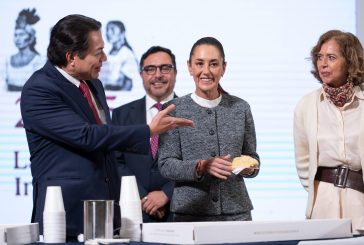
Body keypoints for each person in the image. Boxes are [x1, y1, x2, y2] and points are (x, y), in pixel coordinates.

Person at [20, 14, 193, 240]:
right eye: (98, 51)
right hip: (66, 218)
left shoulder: (93, 84)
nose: (105, 57)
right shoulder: (39, 89)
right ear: (72, 57)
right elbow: (87, 136)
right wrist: (148, 130)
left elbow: (108, 141)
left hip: (108, 215)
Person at [158, 37, 260, 222]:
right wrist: (201, 167)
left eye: (214, 64)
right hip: (190, 215)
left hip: (237, 214)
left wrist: (249, 168)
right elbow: (165, 165)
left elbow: (252, 156)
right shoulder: (173, 109)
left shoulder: (241, 107)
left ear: (224, 68)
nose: (206, 71)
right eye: (199, 64)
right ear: (189, 67)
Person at [294, 30, 364, 230]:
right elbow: (303, 162)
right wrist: (323, 192)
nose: (323, 64)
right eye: (319, 57)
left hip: (360, 205)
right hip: (323, 208)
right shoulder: (306, 105)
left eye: (331, 57)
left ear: (350, 62)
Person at [112, 46, 177, 222]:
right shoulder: (121, 115)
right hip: (134, 212)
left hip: (180, 213)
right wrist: (143, 198)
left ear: (175, 73)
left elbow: (199, 164)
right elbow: (116, 162)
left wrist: (167, 193)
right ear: (141, 75)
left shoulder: (193, 114)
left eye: (165, 68)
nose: (158, 75)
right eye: (150, 69)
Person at [6, 8, 44, 91]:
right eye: (15, 35)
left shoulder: (39, 61)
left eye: (21, 34)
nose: (17, 39)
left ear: (31, 38)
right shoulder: (8, 60)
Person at [99, 20, 138, 91]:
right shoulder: (109, 52)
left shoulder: (127, 54)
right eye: (107, 30)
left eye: (112, 30)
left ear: (122, 33)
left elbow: (128, 83)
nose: (108, 33)